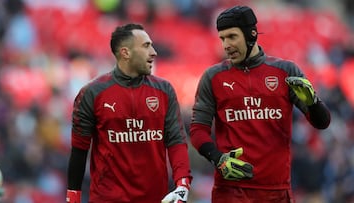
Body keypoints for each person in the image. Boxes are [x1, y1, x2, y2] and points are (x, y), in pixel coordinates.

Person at [189, 5, 331, 203]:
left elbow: (322, 122)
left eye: (232, 36)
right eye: (222, 38)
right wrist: (218, 158)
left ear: (251, 34)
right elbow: (197, 130)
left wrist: (313, 103)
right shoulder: (213, 77)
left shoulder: (286, 71)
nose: (226, 45)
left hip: (276, 192)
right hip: (231, 192)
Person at [66, 23, 192, 203]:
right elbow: (79, 150)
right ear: (125, 53)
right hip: (108, 199)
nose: (154, 52)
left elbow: (176, 142)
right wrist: (73, 196)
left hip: (155, 198)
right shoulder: (92, 94)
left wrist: (182, 184)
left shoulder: (164, 90)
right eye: (146, 46)